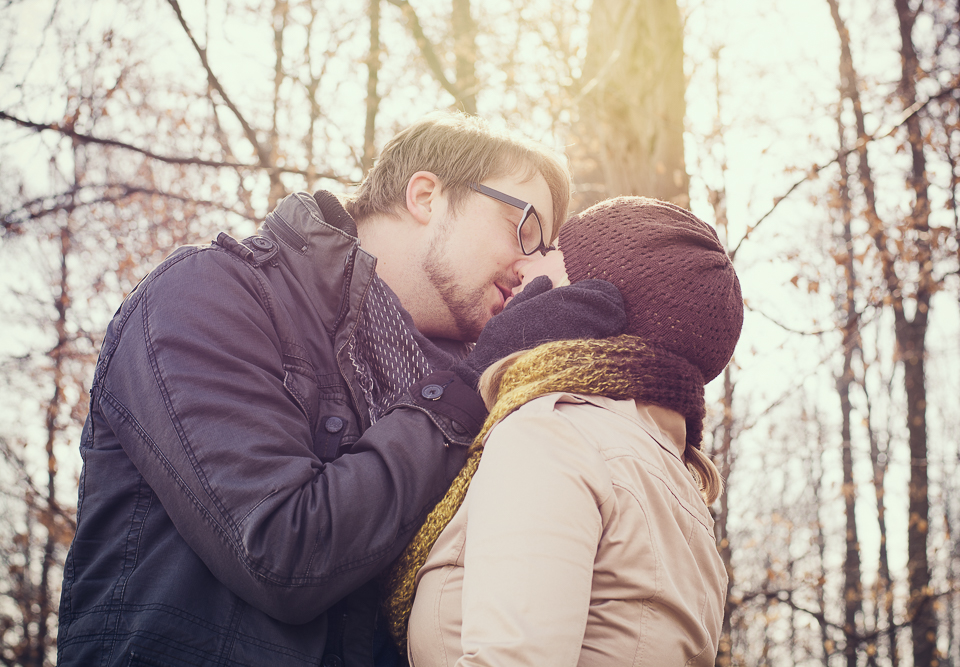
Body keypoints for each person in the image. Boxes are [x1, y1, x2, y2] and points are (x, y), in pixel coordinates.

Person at [56, 112, 627, 667]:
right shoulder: (207, 294)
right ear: (426, 195)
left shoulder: (472, 395)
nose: (532, 269)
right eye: (524, 227)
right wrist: (476, 381)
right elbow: (280, 551)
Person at [383, 196, 744, 666]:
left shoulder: (554, 433)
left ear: (591, 294)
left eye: (550, 250)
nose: (524, 265)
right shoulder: (680, 483)